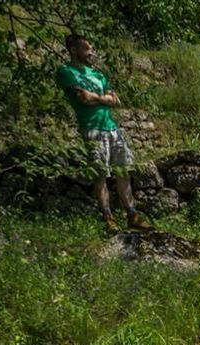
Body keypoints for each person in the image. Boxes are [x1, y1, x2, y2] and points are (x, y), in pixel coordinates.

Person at [56, 34, 145, 233]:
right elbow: (82, 99)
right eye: (86, 49)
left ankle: (132, 215)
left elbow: (116, 101)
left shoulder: (98, 74)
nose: (91, 53)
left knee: (123, 171)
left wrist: (95, 97)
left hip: (112, 128)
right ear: (73, 49)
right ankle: (108, 218)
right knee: (100, 175)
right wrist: (103, 98)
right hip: (92, 128)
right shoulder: (65, 71)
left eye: (91, 48)